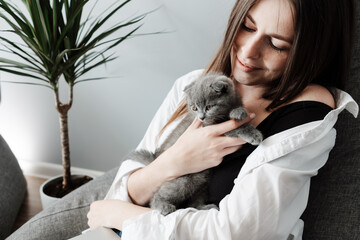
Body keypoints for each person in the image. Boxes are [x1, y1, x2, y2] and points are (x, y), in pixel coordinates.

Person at [7, 0, 357, 239]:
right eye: (247, 26)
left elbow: (234, 234)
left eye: (278, 44)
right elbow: (125, 185)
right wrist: (175, 161)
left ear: (309, 51)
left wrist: (121, 217)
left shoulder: (305, 118)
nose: (248, 53)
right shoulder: (190, 87)